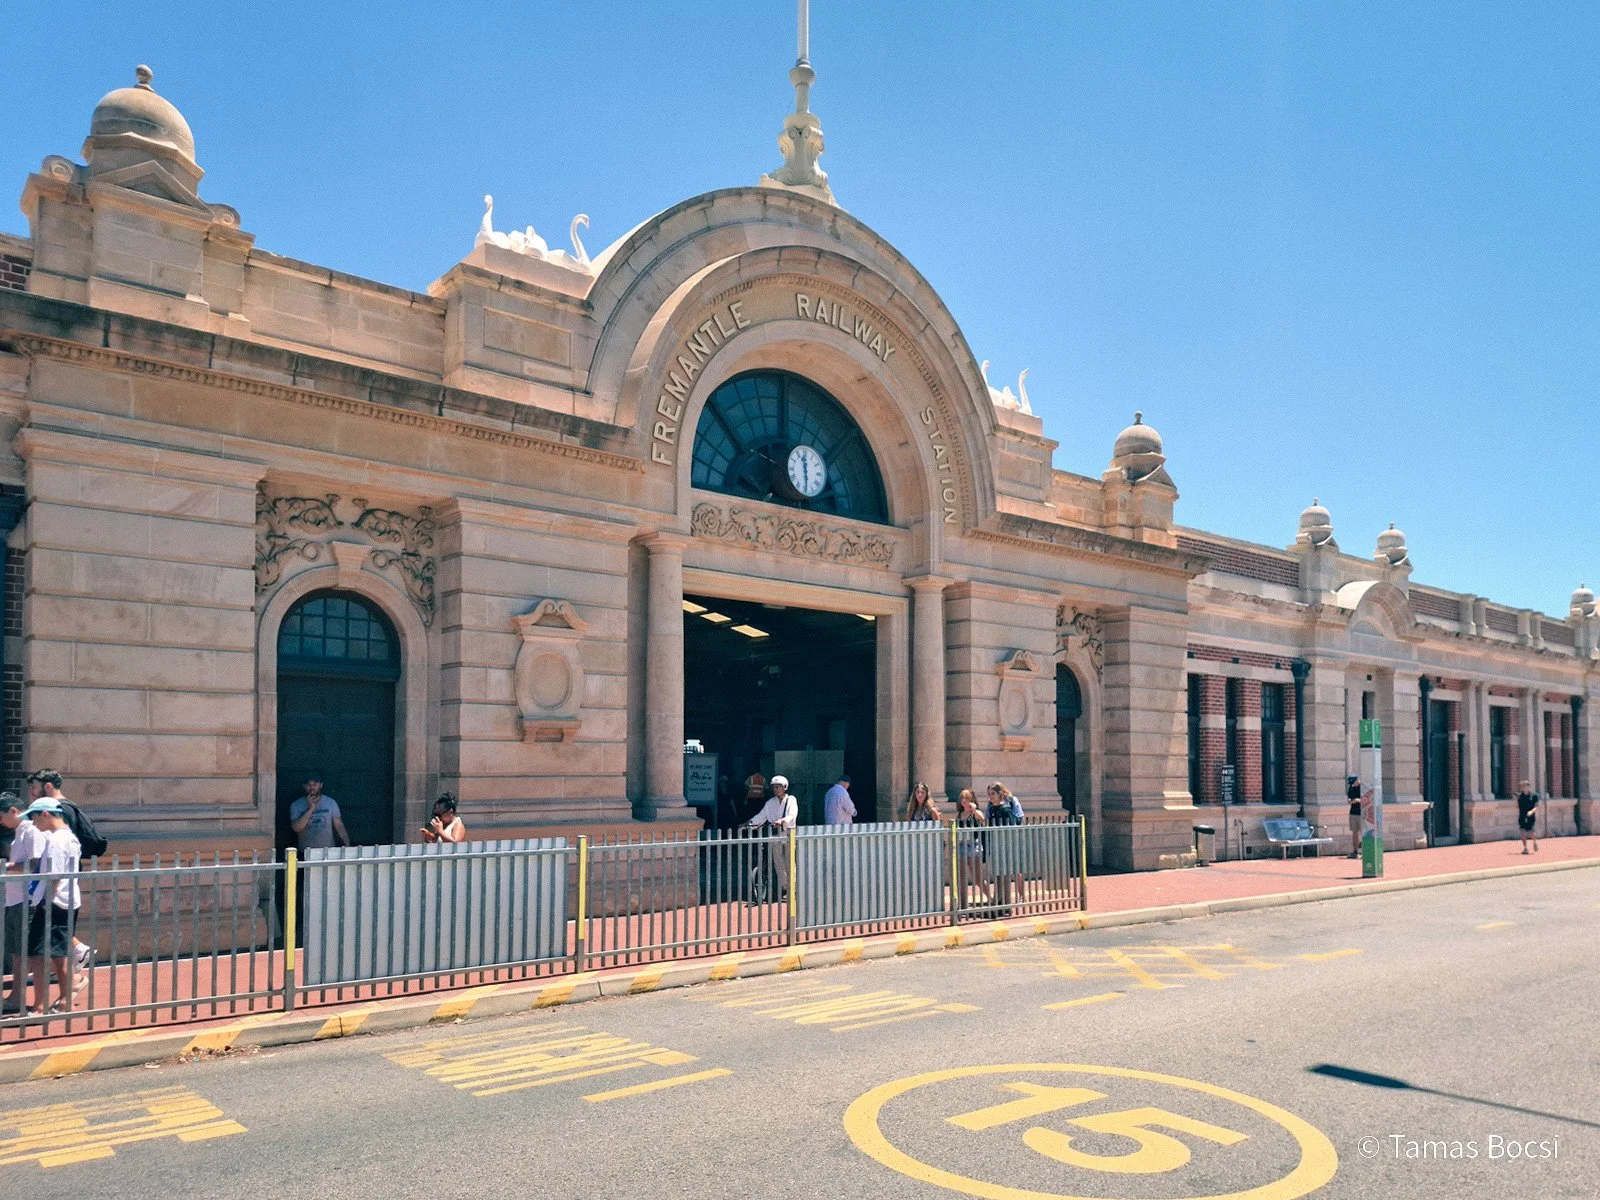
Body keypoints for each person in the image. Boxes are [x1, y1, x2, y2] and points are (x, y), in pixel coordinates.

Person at [21, 798, 81, 1015]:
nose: (33, 823)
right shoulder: (70, 838)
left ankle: (40, 1006)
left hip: (53, 902)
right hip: (66, 901)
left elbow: (53, 875)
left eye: (34, 817)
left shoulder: (57, 840)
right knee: (58, 955)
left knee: (38, 955)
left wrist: (44, 901)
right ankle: (65, 1001)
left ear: (45, 814)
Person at [1, 792, 41, 1014]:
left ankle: (38, 1000)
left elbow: (35, 864)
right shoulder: (20, 832)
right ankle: (16, 995)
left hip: (28, 899)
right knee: (16, 950)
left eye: (1, 815)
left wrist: (7, 867)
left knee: (30, 951)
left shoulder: (32, 831)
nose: (0, 821)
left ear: (14, 811)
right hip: (16, 898)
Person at [744, 774, 798, 897]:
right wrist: (749, 823)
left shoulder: (791, 800)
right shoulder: (770, 803)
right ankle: (786, 888)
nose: (776, 789)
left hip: (788, 834)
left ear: (785, 787)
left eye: (778, 787)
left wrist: (782, 821)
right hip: (775, 835)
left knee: (790, 862)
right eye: (774, 787)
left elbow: (792, 815)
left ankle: (794, 887)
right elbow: (761, 816)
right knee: (778, 863)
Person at [985, 782, 1025, 914]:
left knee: (1006, 874)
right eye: (989, 794)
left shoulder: (1006, 809)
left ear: (1000, 794)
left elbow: (1014, 824)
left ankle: (1006, 904)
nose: (990, 796)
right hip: (995, 844)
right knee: (997, 874)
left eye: (993, 794)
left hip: (1006, 844)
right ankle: (999, 902)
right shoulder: (991, 808)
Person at [290, 774, 350, 851]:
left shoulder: (330, 802)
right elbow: (297, 828)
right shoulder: (296, 805)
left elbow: (339, 826)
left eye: (315, 784)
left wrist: (347, 845)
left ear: (320, 785)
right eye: (308, 785)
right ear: (304, 786)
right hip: (305, 852)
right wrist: (310, 809)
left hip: (327, 851)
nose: (312, 787)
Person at [953, 789, 987, 909]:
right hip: (962, 845)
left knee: (977, 879)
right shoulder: (959, 814)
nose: (964, 801)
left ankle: (990, 898)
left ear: (971, 800)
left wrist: (974, 809)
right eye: (962, 798)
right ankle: (963, 905)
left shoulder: (974, 813)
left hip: (974, 845)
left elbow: (982, 819)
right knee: (961, 877)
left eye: (966, 798)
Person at [1346, 775, 1371, 859]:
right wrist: (1354, 800)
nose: (1353, 785)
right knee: (1354, 833)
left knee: (1363, 832)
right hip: (1353, 813)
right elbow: (1349, 801)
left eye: (1354, 782)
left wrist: (1357, 800)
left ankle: (1365, 852)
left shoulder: (1363, 788)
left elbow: (1367, 800)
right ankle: (1355, 851)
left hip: (1362, 813)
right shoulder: (1351, 788)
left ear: (1357, 780)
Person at [1516, 781, 1539, 853]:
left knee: (1531, 832)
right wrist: (1516, 801)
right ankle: (1525, 848)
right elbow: (1517, 806)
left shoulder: (1534, 796)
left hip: (1530, 816)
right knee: (1522, 832)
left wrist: (1531, 812)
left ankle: (1535, 842)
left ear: (1529, 787)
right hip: (1522, 816)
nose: (1524, 788)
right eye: (1523, 787)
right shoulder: (1520, 796)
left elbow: (1536, 807)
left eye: (1525, 786)